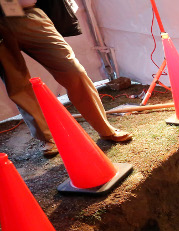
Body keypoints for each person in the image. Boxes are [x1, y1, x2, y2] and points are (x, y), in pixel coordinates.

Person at [0, 3, 131, 158]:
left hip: (28, 13)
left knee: (73, 71)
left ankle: (104, 128)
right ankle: (47, 137)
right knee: (17, 84)